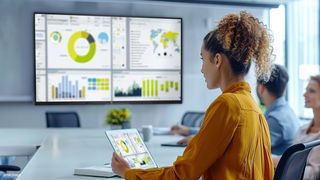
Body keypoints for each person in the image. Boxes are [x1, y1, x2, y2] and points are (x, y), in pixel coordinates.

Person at [111, 11, 275, 179]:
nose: (202, 69)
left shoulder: (227, 104)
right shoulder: (254, 109)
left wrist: (128, 172)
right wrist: (200, 143)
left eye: (202, 59)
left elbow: (181, 175)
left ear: (217, 60)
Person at [273, 75, 320, 180]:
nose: (304, 94)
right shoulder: (302, 129)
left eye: (311, 91)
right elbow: (292, 157)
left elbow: (314, 173)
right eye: (306, 90)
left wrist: (283, 165)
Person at [256, 64, 300, 155]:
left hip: (274, 168)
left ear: (261, 88)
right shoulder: (288, 111)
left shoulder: (274, 120)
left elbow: (253, 150)